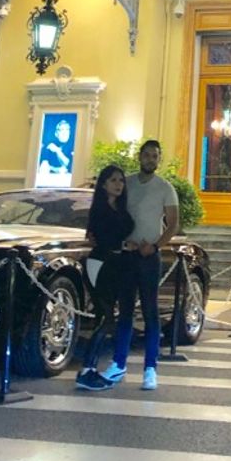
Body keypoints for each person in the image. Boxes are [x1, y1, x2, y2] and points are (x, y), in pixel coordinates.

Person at [99, 140, 179, 392]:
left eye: (155, 156)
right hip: (125, 256)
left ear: (159, 159)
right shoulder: (127, 184)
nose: (150, 159)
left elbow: (173, 224)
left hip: (148, 257)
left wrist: (155, 246)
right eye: (146, 155)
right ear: (140, 157)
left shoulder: (166, 188)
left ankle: (150, 369)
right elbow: (111, 210)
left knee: (150, 312)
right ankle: (118, 363)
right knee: (124, 312)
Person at [76, 165, 134, 391]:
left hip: (114, 266)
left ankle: (90, 368)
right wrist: (123, 244)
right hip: (99, 263)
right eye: (113, 180)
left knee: (108, 316)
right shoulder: (100, 209)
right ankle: (86, 369)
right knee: (105, 316)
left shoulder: (120, 208)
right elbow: (101, 237)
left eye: (121, 180)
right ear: (103, 184)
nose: (119, 184)